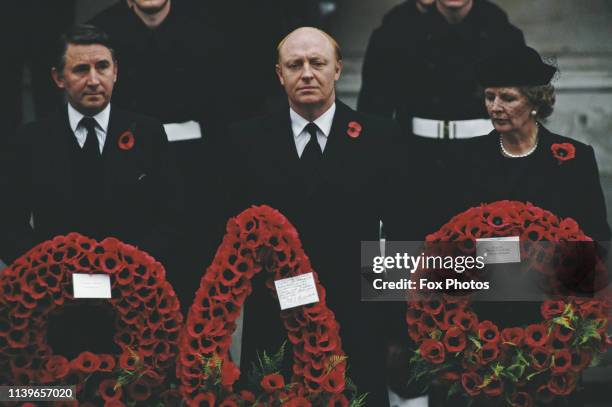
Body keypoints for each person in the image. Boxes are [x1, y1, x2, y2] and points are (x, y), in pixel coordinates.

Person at [222, 27, 408, 407]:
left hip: (356, 321)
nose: (307, 73)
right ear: (279, 74)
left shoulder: (380, 137)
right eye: (295, 64)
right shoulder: (244, 141)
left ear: (337, 69)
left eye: (317, 63)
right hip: (276, 320)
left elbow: (400, 233)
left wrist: (396, 330)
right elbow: (226, 238)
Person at [0, 24, 182, 272]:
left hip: (132, 288)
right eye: (81, 69)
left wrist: (133, 267)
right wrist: (45, 271)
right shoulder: (30, 140)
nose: (94, 80)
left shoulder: (148, 133)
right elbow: (8, 223)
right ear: (58, 78)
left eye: (102, 67)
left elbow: (170, 215)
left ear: (115, 71)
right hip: (55, 292)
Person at [89, 0, 230, 308]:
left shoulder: (206, 28)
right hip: (124, 167)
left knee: (191, 282)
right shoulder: (101, 31)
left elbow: (224, 112)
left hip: (195, 167)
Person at [358, 0, 526, 233]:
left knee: (491, 261)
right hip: (415, 164)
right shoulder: (396, 30)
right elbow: (373, 112)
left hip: (485, 165)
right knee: (410, 261)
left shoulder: (503, 33)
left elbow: (520, 116)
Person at [463, 45, 611, 243]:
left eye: (508, 98)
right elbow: (452, 235)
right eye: (490, 97)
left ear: (535, 102)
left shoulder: (576, 158)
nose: (495, 107)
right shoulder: (469, 155)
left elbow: (597, 236)